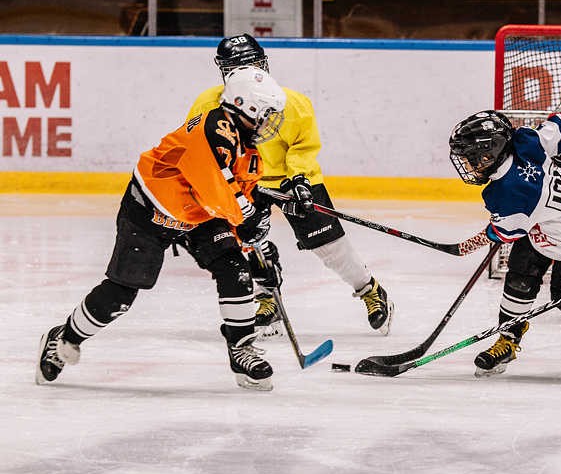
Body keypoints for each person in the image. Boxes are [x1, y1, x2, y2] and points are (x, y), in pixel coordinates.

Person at [37, 66, 289, 391]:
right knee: (120, 295)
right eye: (267, 114)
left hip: (198, 212)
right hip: (151, 210)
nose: (271, 123)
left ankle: (240, 349)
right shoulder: (213, 131)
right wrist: (252, 235)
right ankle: (63, 337)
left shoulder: (247, 148)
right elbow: (224, 195)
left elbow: (241, 194)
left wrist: (255, 250)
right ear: (247, 106)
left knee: (234, 268)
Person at [186, 34, 393, 338]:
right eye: (242, 67)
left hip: (289, 180)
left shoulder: (290, 103)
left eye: (255, 64)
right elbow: (201, 150)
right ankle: (266, 299)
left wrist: (299, 179)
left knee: (328, 245)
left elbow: (303, 146)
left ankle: (369, 289)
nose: (252, 72)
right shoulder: (208, 103)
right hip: (242, 183)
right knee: (245, 243)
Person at [448, 110, 561, 377]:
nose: (468, 167)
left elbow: (505, 232)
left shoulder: (512, 193)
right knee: (519, 278)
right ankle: (507, 339)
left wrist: (467, 246)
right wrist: (554, 150)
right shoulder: (526, 139)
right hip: (548, 223)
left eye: (470, 160)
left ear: (489, 155)